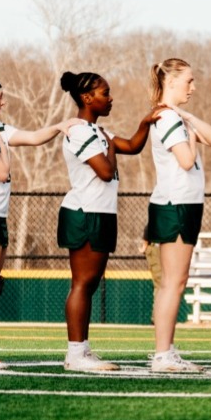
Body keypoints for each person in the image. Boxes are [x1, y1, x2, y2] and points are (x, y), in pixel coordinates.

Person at [0, 73, 74, 372]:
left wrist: (59, 127)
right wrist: (3, 146)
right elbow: (2, 171)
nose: (3, 102)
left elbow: (32, 138)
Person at [55, 70, 155, 372]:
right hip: (84, 212)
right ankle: (75, 354)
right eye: (104, 93)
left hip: (101, 212)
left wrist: (146, 123)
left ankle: (82, 350)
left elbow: (134, 146)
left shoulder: (99, 132)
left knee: (90, 283)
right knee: (83, 283)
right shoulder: (80, 132)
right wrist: (110, 147)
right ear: (87, 98)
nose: (110, 98)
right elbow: (105, 171)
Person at [144, 58, 211, 373]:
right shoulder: (166, 119)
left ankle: (167, 352)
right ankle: (163, 354)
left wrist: (188, 117)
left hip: (186, 204)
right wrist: (187, 129)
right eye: (189, 81)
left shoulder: (178, 118)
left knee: (177, 282)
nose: (193, 87)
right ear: (172, 82)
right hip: (174, 204)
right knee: (172, 283)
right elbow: (187, 160)